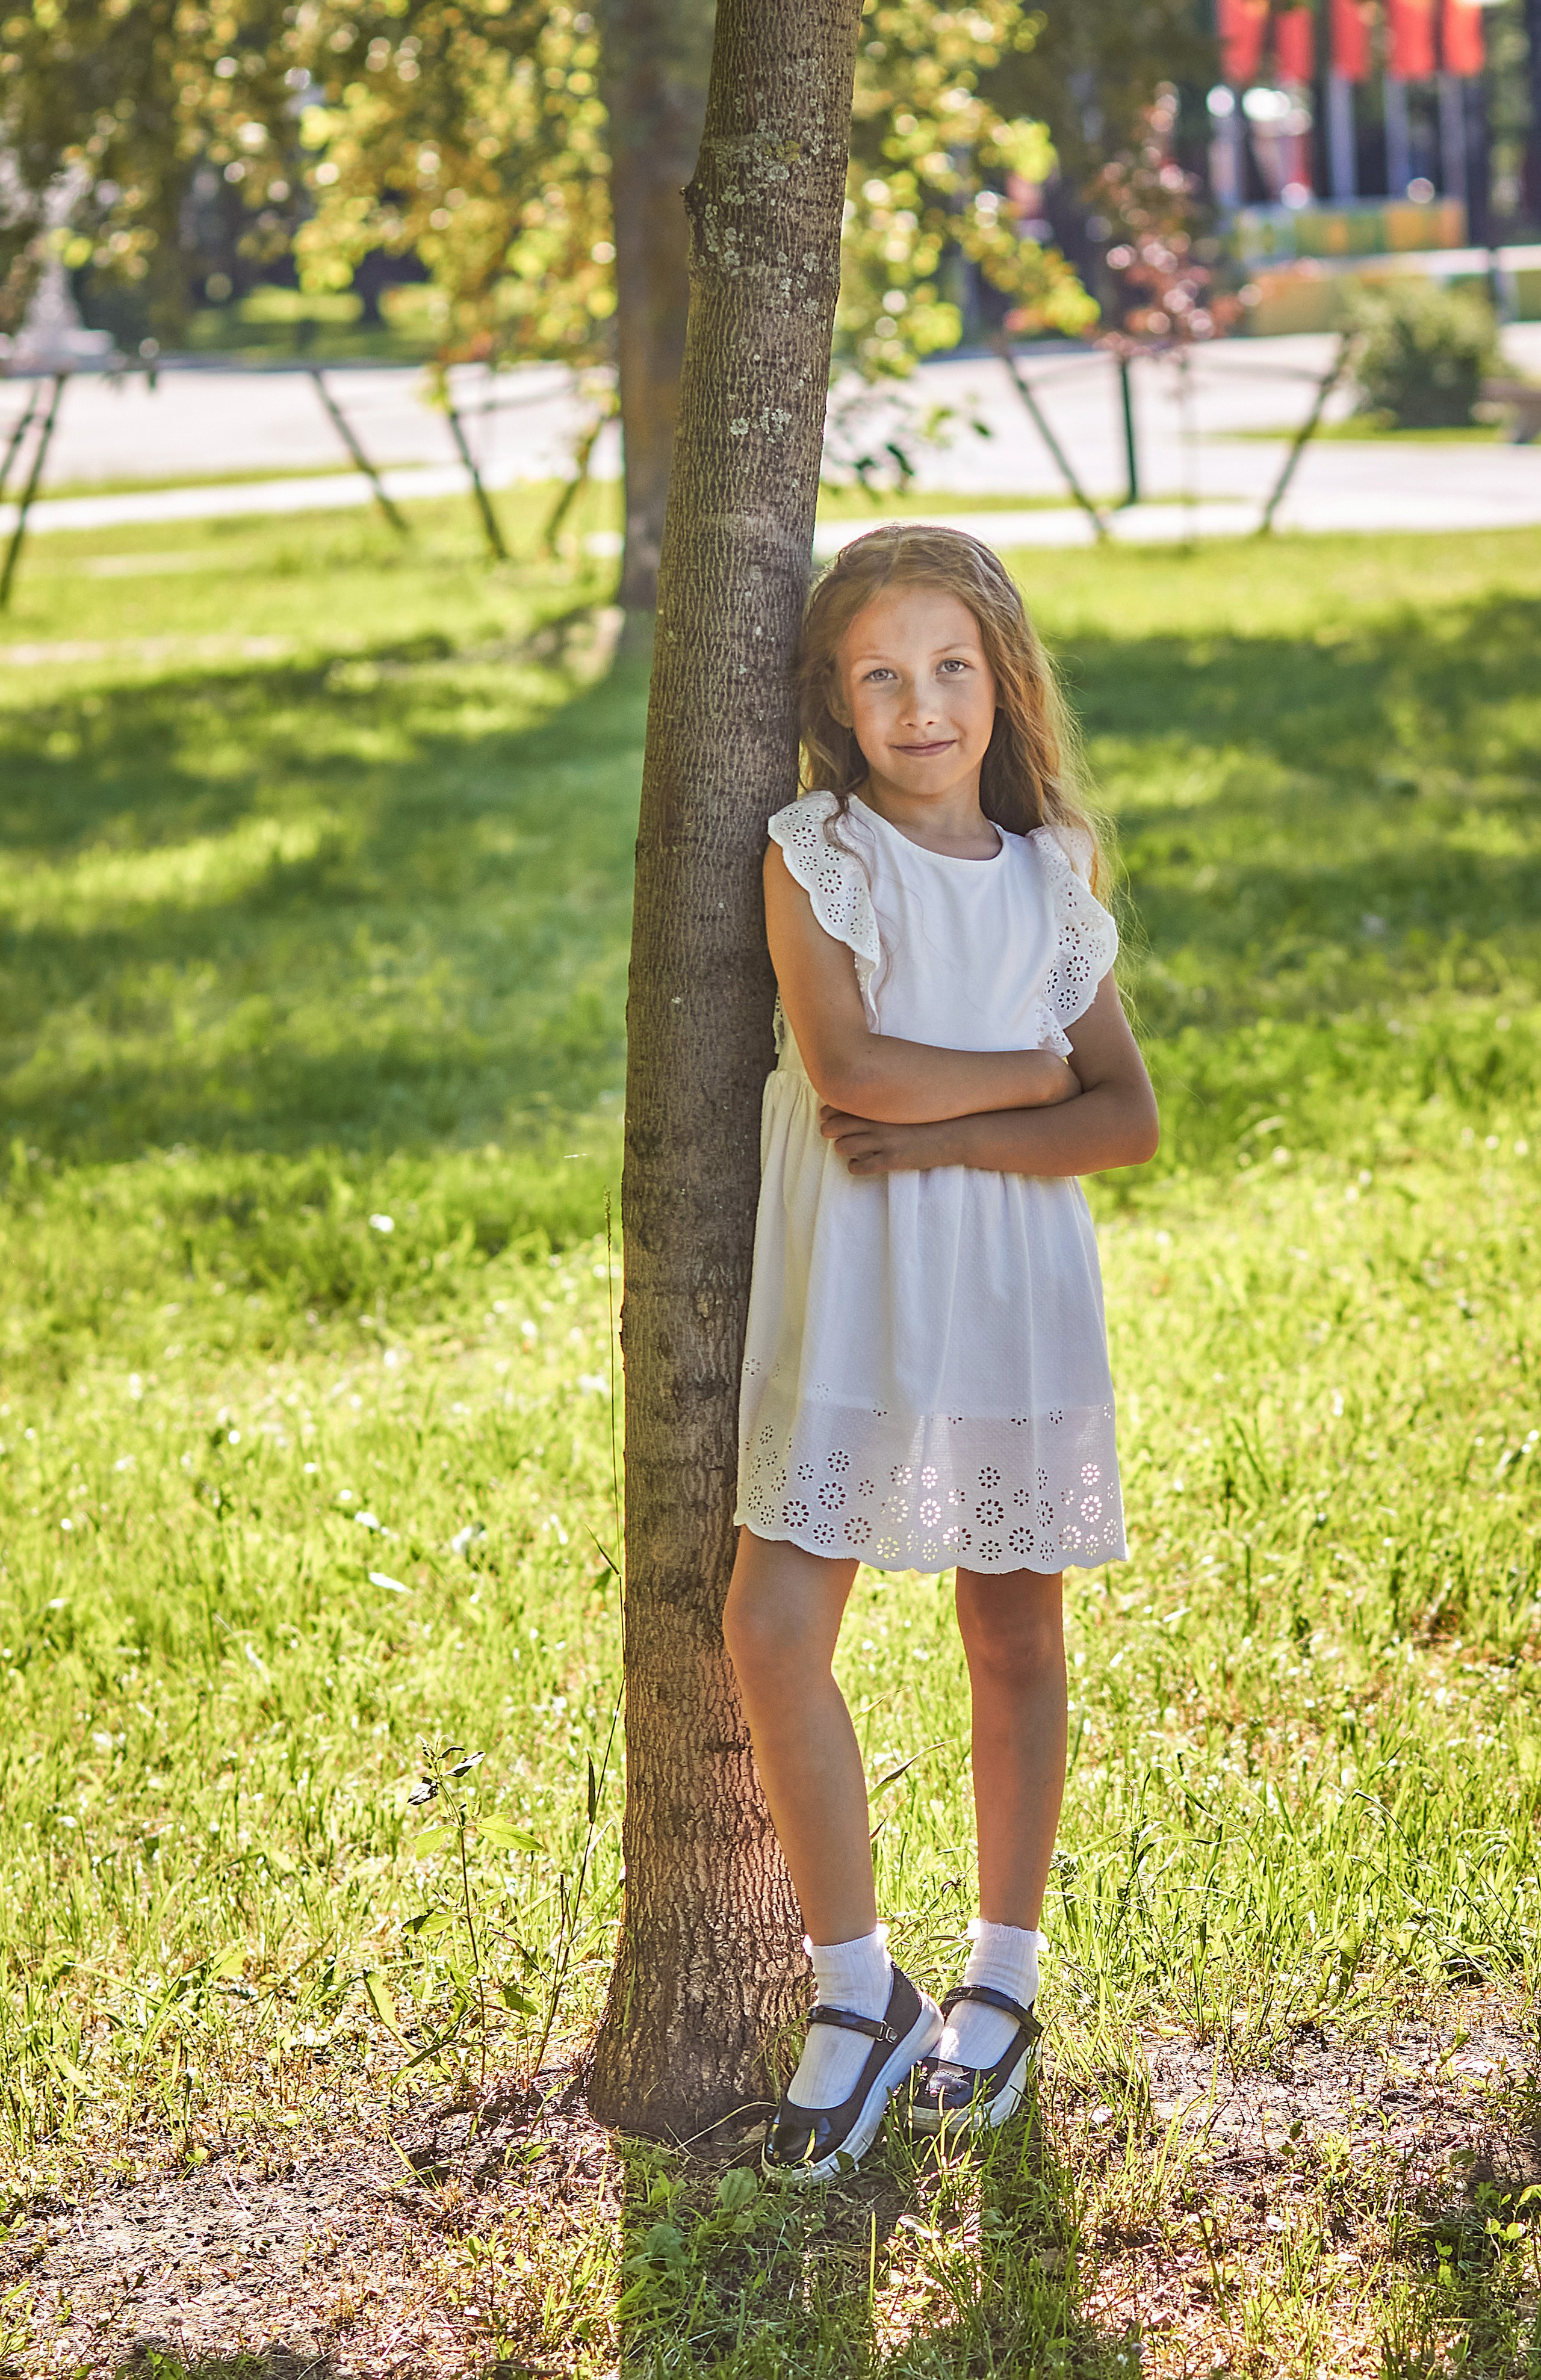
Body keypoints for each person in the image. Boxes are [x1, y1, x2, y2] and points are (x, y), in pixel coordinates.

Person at [722, 524, 1159, 2181]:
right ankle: (858, 1987)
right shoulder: (815, 849)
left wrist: (995, 1097)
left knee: (1014, 1631)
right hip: (851, 1287)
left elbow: (1129, 1118)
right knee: (771, 1623)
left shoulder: (1050, 875)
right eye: (883, 675)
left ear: (1002, 682)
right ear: (839, 701)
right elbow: (852, 1077)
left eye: (952, 668)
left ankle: (1004, 1973)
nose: (922, 703)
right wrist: (1025, 1085)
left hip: (1012, 1288)